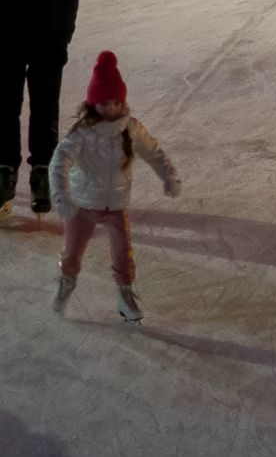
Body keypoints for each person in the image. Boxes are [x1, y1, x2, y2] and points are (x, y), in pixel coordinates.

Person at [49, 51, 180, 323]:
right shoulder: (82, 132)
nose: (110, 109)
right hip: (82, 206)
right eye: (103, 103)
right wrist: (62, 196)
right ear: (92, 103)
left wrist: (168, 176)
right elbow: (59, 162)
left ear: (123, 101)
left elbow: (154, 152)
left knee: (123, 254)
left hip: (116, 206)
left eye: (115, 102)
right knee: (73, 253)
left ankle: (124, 294)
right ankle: (66, 283)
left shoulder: (130, 128)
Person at [0, 0, 77, 221]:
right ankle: (8, 170)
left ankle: (39, 171)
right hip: (19, 39)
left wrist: (60, 34)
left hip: (42, 38)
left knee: (33, 107)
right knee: (10, 108)